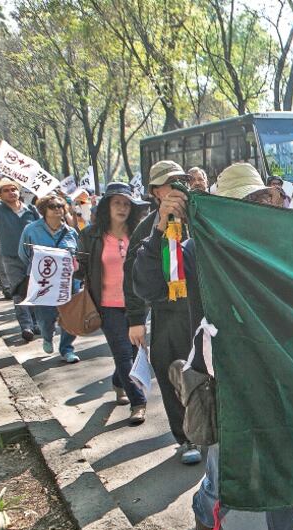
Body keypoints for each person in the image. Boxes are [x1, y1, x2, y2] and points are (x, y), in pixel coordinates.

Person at [133, 162, 293, 530]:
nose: (253, 209)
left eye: (259, 200)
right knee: (226, 472)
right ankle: (206, 507)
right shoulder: (195, 251)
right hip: (223, 379)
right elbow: (149, 286)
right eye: (243, 203)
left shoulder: (281, 246)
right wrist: (160, 229)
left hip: (277, 374)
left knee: (281, 467)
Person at [124, 160, 202, 465]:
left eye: (182, 181)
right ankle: (186, 437)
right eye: (170, 183)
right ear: (155, 191)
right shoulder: (148, 228)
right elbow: (135, 278)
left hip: (201, 311)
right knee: (174, 375)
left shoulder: (199, 215)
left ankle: (211, 431)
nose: (178, 188)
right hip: (167, 314)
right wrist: (135, 320)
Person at [76, 183, 148, 424]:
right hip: (107, 305)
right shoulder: (90, 235)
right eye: (117, 202)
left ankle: (118, 382)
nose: (122, 207)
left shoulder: (139, 232)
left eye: (127, 203)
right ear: (107, 206)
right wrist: (71, 265)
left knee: (133, 354)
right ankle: (138, 403)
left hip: (138, 304)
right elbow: (80, 269)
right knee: (123, 353)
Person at [18, 194, 80, 363]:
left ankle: (67, 349)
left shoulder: (71, 232)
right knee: (46, 318)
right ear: (43, 210)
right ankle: (47, 336)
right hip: (43, 282)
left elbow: (78, 254)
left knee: (70, 317)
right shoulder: (31, 230)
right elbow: (23, 254)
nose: (57, 209)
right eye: (53, 206)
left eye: (60, 206)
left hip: (67, 282)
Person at [0, 179, 41, 339]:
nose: (11, 192)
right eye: (6, 190)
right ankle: (26, 326)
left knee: (34, 290)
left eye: (13, 189)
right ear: (0, 195)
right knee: (19, 291)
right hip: (11, 257)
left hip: (33, 256)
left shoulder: (30, 209)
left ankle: (36, 322)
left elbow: (41, 227)